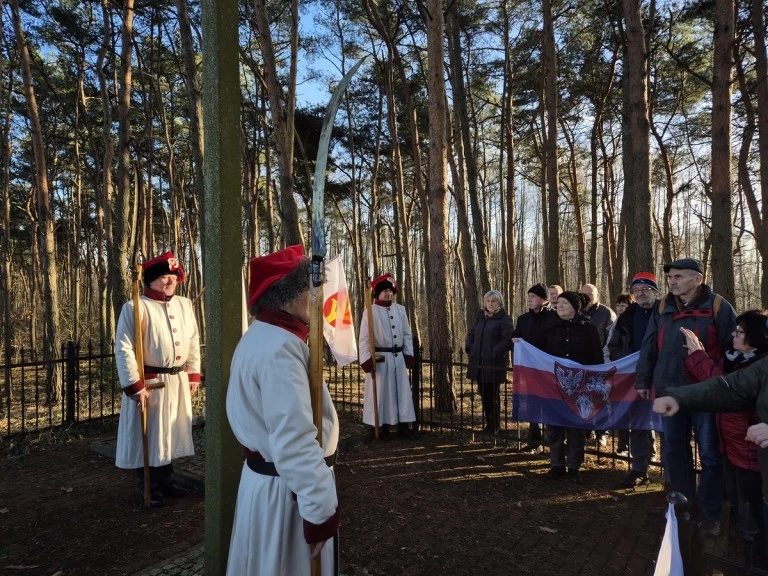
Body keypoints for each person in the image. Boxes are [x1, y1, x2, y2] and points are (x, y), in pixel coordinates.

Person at [226, 245, 340, 575]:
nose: (318, 299)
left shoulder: (261, 337)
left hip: (273, 489)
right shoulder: (280, 348)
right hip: (287, 498)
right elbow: (294, 440)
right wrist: (320, 512)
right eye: (312, 290)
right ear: (291, 295)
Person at [636, 258, 736, 537]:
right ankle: (681, 506)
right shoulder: (662, 305)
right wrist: (643, 379)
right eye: (670, 276)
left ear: (697, 279)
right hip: (670, 392)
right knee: (674, 450)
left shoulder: (718, 306)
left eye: (679, 276)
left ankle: (710, 513)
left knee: (710, 454)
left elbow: (732, 350)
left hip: (706, 395)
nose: (672, 281)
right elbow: (649, 344)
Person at [668, 311, 768, 567]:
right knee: (740, 508)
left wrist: (698, 356)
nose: (733, 335)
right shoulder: (735, 358)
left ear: (757, 337)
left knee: (753, 517)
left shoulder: (758, 366)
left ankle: (755, 564)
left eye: (740, 332)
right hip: (732, 447)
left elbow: (726, 388)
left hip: (751, 456)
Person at [114, 251, 201, 508]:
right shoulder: (134, 307)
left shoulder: (184, 305)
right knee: (151, 434)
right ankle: (148, 486)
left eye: (173, 276)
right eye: (164, 277)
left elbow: (193, 339)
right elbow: (125, 347)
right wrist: (135, 385)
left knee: (170, 432)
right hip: (150, 382)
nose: (170, 281)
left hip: (176, 380)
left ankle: (166, 480)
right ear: (150, 280)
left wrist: (193, 373)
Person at [535, 291, 604, 483]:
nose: (559, 305)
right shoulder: (549, 326)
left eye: (564, 302)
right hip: (554, 384)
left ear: (575, 307)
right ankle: (556, 464)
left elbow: (596, 356)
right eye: (558, 303)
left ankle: (574, 467)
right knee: (554, 427)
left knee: (575, 427)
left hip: (580, 386)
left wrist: (593, 382)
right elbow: (538, 351)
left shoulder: (587, 328)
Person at [606, 272, 659, 488]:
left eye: (645, 290)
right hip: (635, 378)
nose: (640, 294)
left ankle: (673, 475)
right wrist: (626, 362)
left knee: (670, 424)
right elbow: (614, 346)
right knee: (639, 423)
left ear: (655, 291)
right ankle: (639, 469)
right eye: (636, 290)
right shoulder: (626, 317)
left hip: (663, 376)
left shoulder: (666, 312)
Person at [358, 273, 417, 440]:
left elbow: (406, 334)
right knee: (381, 395)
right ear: (378, 293)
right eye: (384, 291)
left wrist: (408, 353)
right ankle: (381, 428)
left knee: (402, 394)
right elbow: (364, 339)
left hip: (398, 359)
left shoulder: (400, 310)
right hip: (380, 360)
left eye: (390, 291)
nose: (388, 294)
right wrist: (366, 360)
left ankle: (404, 427)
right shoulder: (370, 312)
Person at [466, 290, 515, 434]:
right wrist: (470, 346)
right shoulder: (481, 316)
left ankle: (495, 425)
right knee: (483, 394)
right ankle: (489, 423)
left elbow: (508, 340)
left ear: (499, 302)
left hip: (493, 363)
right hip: (478, 362)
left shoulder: (504, 319)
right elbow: (472, 332)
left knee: (492, 395)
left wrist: (493, 351)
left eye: (493, 301)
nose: (490, 304)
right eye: (488, 301)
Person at [512, 283, 553, 451]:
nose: (529, 299)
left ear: (544, 300)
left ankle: (552, 442)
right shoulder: (523, 319)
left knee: (549, 405)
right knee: (532, 404)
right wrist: (514, 340)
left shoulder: (553, 317)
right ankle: (534, 441)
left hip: (547, 369)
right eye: (528, 296)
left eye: (533, 297)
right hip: (529, 370)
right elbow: (516, 336)